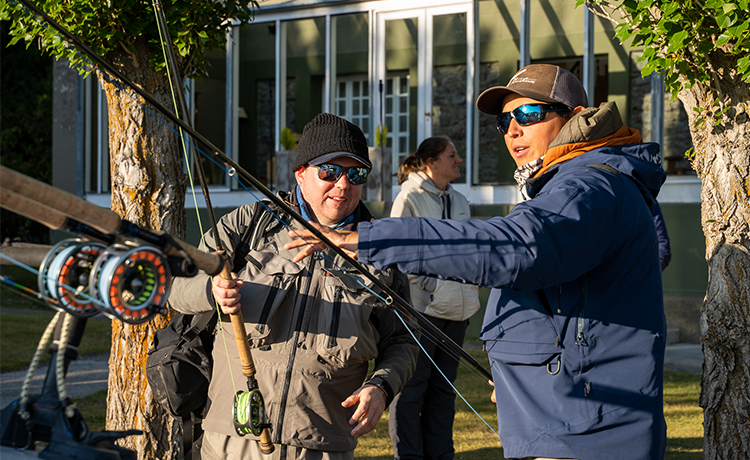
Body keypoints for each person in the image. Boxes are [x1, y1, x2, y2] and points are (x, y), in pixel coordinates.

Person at [285, 64, 668, 460]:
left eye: (529, 114)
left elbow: (520, 248)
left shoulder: (589, 186)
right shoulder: (575, 184)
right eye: (505, 121)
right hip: (570, 422)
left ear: (573, 117)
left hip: (588, 435)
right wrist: (522, 373)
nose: (514, 129)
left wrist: (369, 237)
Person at [170, 113, 419, 460]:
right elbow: (177, 287)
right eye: (329, 171)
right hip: (232, 440)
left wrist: (382, 386)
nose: (343, 185)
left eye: (356, 173)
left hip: (324, 445)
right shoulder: (249, 225)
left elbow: (404, 340)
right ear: (301, 173)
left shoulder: (379, 247)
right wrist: (210, 291)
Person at [388, 137, 480, 460]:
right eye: (451, 155)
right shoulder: (408, 198)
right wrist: (424, 286)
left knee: (444, 393)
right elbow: (396, 254)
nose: (458, 160)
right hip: (422, 312)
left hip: (458, 311)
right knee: (413, 391)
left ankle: (441, 456)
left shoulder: (461, 201)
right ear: (432, 162)